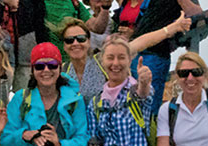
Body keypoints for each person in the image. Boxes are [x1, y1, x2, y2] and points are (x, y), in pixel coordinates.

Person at [132, 0, 202, 116]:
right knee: (131, 102)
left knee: (148, 106)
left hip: (156, 54)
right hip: (137, 51)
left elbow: (198, 15)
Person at [58, 14, 193, 101]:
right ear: (64, 45)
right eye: (70, 40)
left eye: (80, 39)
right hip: (77, 138)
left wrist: (171, 29)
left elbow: (141, 42)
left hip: (107, 135)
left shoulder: (102, 60)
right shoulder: (61, 72)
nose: (75, 43)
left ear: (88, 41)